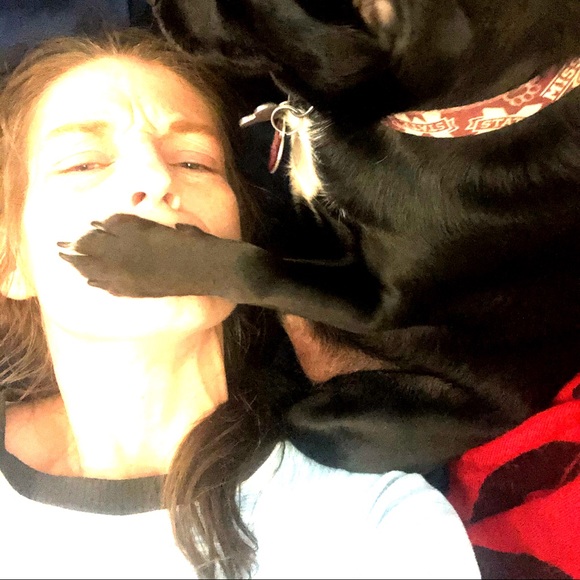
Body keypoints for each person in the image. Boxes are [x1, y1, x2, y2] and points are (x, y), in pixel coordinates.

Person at [0, 28, 481, 579]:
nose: (155, 177)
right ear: (11, 261)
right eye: (83, 163)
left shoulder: (379, 524)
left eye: (194, 162)